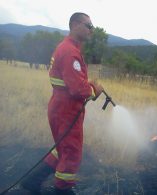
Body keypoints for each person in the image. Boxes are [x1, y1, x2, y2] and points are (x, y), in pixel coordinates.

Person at [21, 12, 103, 195]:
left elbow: (71, 81)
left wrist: (87, 83)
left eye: (92, 27)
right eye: (88, 26)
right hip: (66, 111)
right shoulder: (69, 52)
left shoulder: (70, 48)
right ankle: (63, 190)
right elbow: (77, 89)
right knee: (71, 152)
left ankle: (32, 181)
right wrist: (94, 90)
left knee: (62, 149)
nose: (92, 30)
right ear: (75, 25)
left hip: (61, 108)